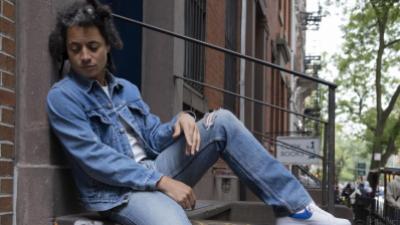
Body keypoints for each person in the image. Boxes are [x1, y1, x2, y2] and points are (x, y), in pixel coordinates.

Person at [46, 1, 351, 225]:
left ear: (108, 46)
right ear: (67, 50)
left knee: (221, 121)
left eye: (92, 46)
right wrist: (161, 181)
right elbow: (95, 160)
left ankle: (295, 210)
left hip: (156, 170)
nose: (84, 56)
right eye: (75, 49)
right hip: (118, 194)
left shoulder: (125, 89)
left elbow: (153, 137)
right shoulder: (63, 97)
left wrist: (183, 118)